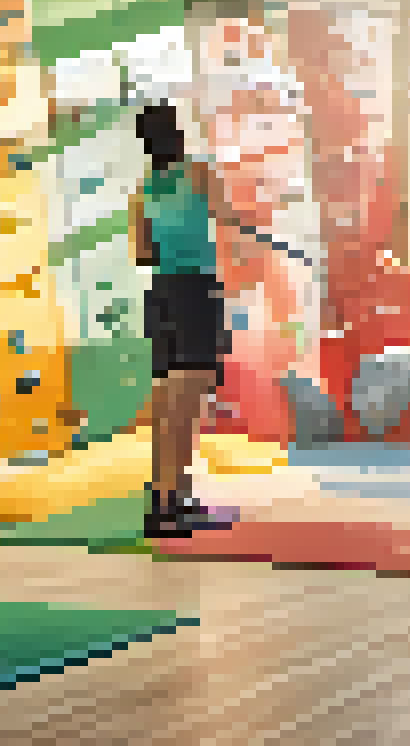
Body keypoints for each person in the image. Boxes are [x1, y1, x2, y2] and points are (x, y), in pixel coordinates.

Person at [131, 101, 239, 538]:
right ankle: (172, 507)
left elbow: (143, 253)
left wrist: (170, 241)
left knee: (164, 403)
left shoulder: (146, 185)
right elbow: (226, 215)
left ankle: (165, 500)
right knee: (185, 401)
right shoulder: (198, 172)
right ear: (176, 134)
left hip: (160, 296)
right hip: (193, 290)